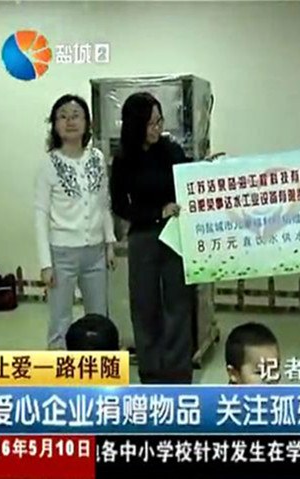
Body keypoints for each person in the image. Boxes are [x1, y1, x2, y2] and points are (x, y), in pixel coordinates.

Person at [109, 92, 195, 384]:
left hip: (175, 236)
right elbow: (120, 205)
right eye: (150, 124)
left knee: (178, 303)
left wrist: (208, 170)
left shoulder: (171, 151)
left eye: (160, 121)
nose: (157, 128)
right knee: (145, 305)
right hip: (143, 237)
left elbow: (189, 178)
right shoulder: (124, 159)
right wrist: (156, 212)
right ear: (136, 125)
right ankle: (151, 370)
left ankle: (178, 371)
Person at [35, 94, 116, 350]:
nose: (70, 121)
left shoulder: (97, 158)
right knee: (60, 319)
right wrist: (45, 264)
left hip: (95, 252)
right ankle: (59, 366)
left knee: (99, 317)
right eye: (63, 117)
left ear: (87, 122)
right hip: (62, 254)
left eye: (76, 116)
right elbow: (40, 214)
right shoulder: (49, 164)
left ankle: (99, 367)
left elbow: (104, 203)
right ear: (55, 125)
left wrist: (110, 242)